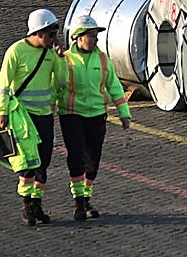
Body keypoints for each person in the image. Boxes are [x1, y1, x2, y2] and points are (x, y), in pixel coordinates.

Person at [57, 14, 131, 221]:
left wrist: (124, 113)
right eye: (92, 35)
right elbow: (56, 87)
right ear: (78, 37)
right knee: (77, 157)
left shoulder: (102, 59)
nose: (96, 39)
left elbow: (114, 86)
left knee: (93, 158)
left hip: (97, 115)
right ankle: (78, 201)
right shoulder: (66, 60)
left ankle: (87, 198)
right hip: (72, 115)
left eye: (96, 35)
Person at [0, 9, 65, 225]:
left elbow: (62, 81)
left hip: (44, 116)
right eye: (51, 33)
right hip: (23, 118)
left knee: (43, 163)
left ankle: (37, 204)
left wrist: (62, 59)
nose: (54, 38)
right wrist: (3, 111)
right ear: (39, 32)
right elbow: (4, 85)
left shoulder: (51, 53)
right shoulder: (16, 52)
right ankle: (26, 204)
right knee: (27, 164)